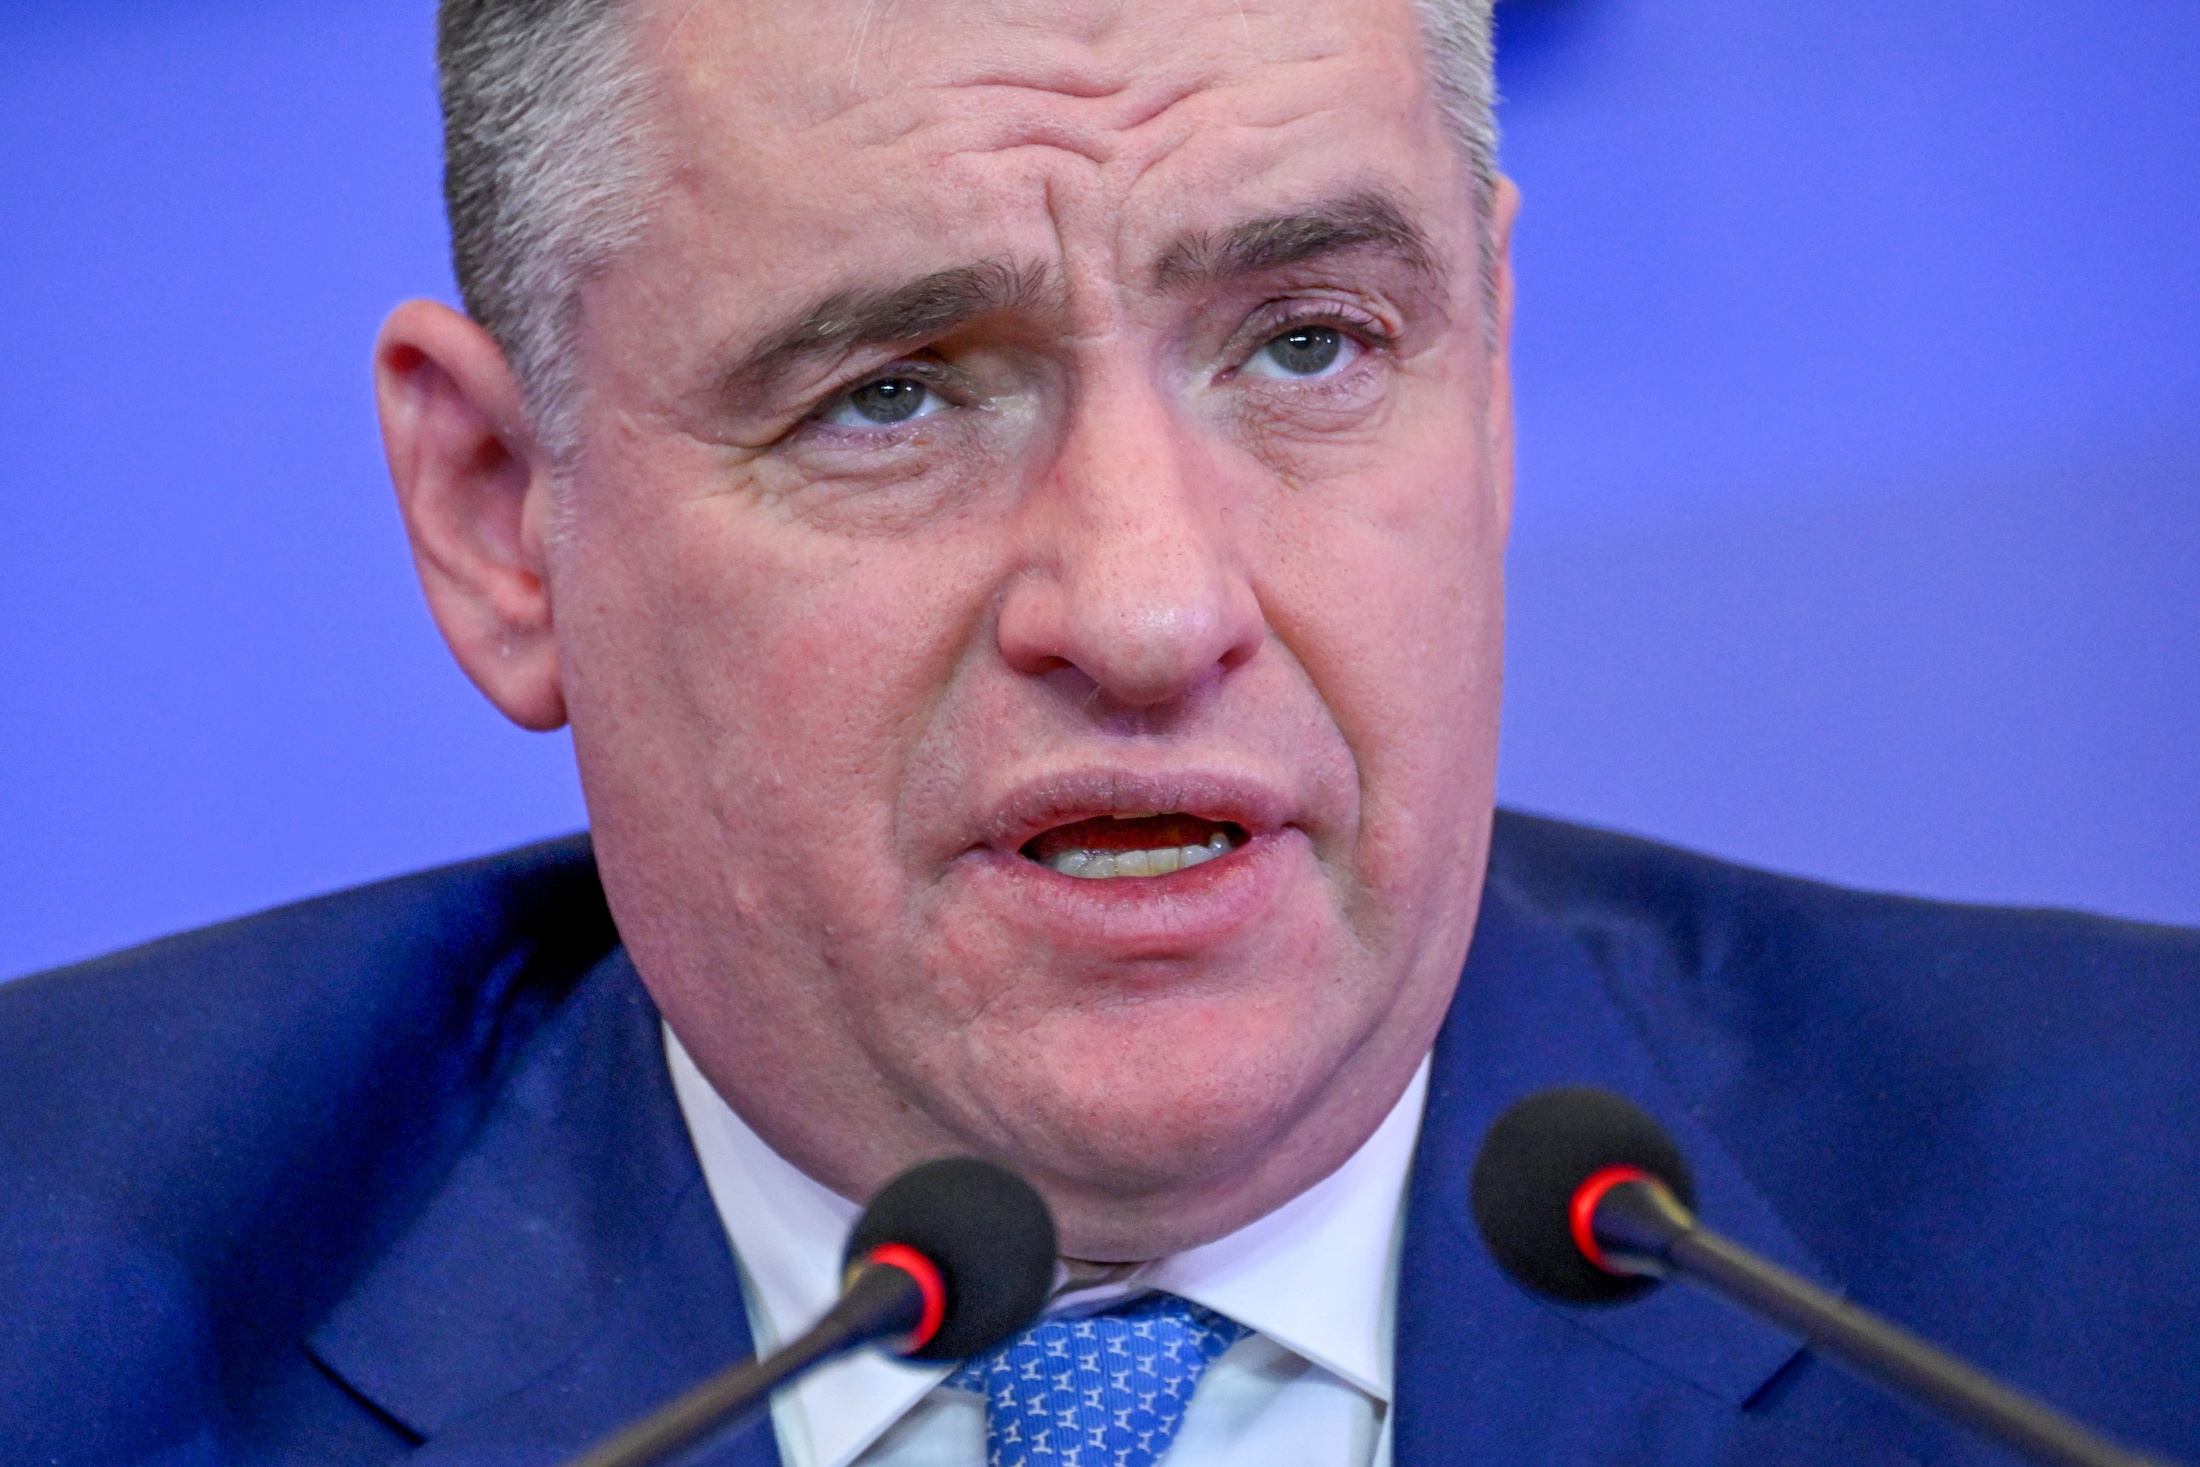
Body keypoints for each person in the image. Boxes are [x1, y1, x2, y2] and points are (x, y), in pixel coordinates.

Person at [2, 1, 2195, 1464]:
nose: (1151, 610)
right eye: (890, 395)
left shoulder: (2132, 1249)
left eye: (1309, 345)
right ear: (501, 516)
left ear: (1493, 378)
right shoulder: (62, 1314)